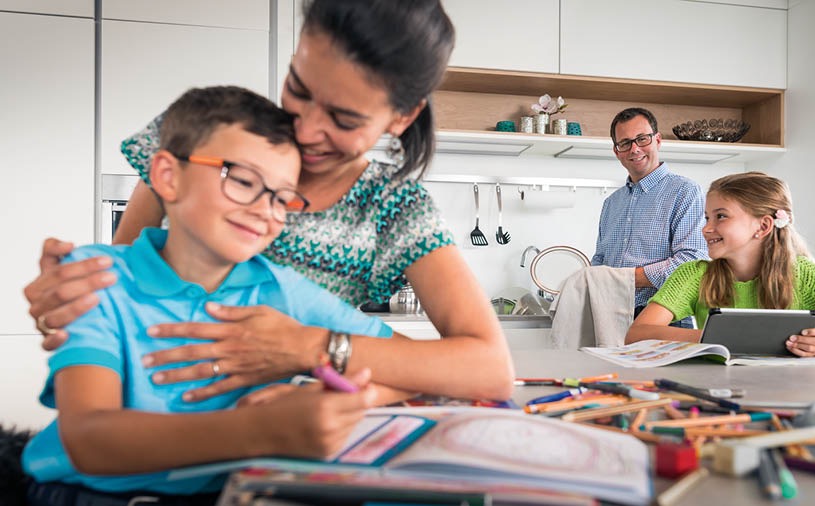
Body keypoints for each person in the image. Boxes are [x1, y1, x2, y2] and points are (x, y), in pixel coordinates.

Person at [23, 0, 514, 403]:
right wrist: (64, 300)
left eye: (343, 120)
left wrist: (309, 348)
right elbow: (122, 278)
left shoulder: (393, 209)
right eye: (297, 89)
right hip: (149, 430)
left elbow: (487, 368)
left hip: (281, 451)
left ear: (401, 117)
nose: (304, 129)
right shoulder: (216, 135)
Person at [22, 85, 391, 504]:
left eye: (282, 198)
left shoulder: (282, 290)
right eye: (244, 180)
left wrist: (324, 397)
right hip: (82, 494)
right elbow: (90, 440)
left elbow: (403, 365)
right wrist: (265, 430)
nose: (264, 210)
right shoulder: (95, 277)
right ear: (167, 176)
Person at [626, 172, 815, 356]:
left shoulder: (803, 276)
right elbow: (637, 334)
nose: (706, 229)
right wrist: (717, 338)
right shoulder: (693, 275)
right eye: (707, 217)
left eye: (720, 217)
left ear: (764, 225)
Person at [590, 107, 708, 328]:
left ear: (658, 140)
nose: (634, 149)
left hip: (665, 318)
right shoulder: (611, 203)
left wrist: (625, 280)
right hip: (610, 316)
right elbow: (600, 259)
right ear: (617, 151)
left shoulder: (685, 191)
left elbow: (692, 262)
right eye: (625, 143)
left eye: (642, 139)